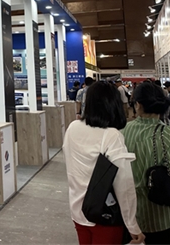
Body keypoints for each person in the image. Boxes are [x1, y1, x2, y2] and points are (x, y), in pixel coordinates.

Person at [63, 81, 144, 245]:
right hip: (104, 214)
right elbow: (124, 183)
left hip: (78, 210)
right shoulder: (112, 135)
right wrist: (132, 224)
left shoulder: (72, 128)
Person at [122, 82, 170, 244]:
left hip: (132, 215)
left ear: (138, 105)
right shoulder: (168, 134)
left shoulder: (122, 132)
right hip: (164, 216)